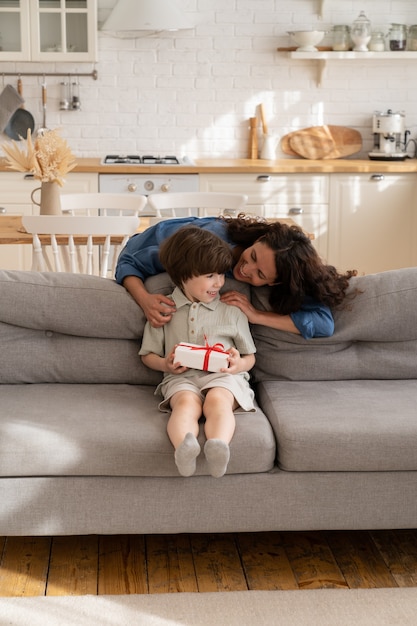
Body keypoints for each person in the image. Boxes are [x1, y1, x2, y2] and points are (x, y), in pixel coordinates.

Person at [116, 213, 357, 339]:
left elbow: (323, 324)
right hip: (156, 239)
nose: (246, 270)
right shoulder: (203, 251)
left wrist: (257, 315)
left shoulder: (285, 275)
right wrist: (144, 299)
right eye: (252, 256)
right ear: (258, 240)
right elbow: (129, 260)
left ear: (275, 282)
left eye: (260, 273)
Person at [139, 226, 256, 479]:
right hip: (181, 378)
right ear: (183, 275)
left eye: (221, 274)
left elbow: (250, 357)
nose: (219, 282)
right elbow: (147, 355)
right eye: (210, 275)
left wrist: (238, 364)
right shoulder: (164, 309)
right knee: (185, 404)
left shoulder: (231, 311)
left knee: (218, 400)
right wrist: (165, 365)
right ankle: (184, 447)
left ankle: (218, 446)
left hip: (224, 377)